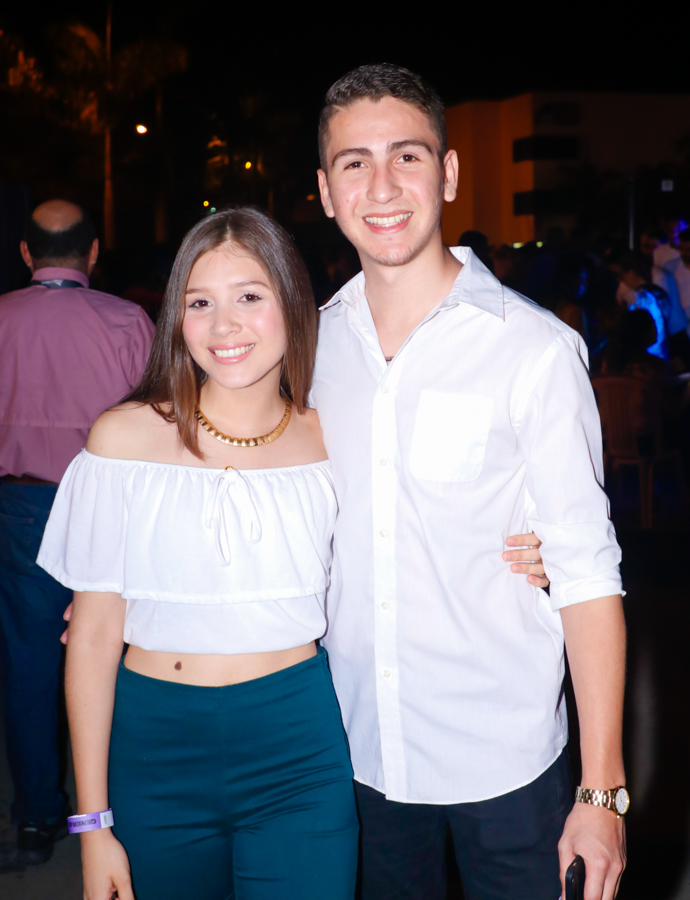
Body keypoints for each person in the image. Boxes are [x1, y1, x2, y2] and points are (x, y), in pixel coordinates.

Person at [313, 64, 627, 900]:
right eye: (354, 163)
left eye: (407, 156)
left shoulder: (532, 349)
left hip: (507, 760)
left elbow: (588, 572)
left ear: (447, 174)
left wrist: (603, 792)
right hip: (356, 754)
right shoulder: (308, 351)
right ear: (326, 191)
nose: (383, 186)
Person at [37, 208, 360, 900]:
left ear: (291, 302)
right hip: (157, 747)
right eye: (200, 303)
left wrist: (529, 547)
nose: (223, 326)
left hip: (297, 745)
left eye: (249, 296)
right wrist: (92, 826)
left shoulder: (334, 438)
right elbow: (92, 637)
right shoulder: (123, 439)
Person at [0, 200, 154, 865]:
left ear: (26, 253)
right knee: (121, 654)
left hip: (22, 506)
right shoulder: (127, 321)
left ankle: (38, 818)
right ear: (93, 252)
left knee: (27, 664)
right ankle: (120, 810)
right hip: (112, 508)